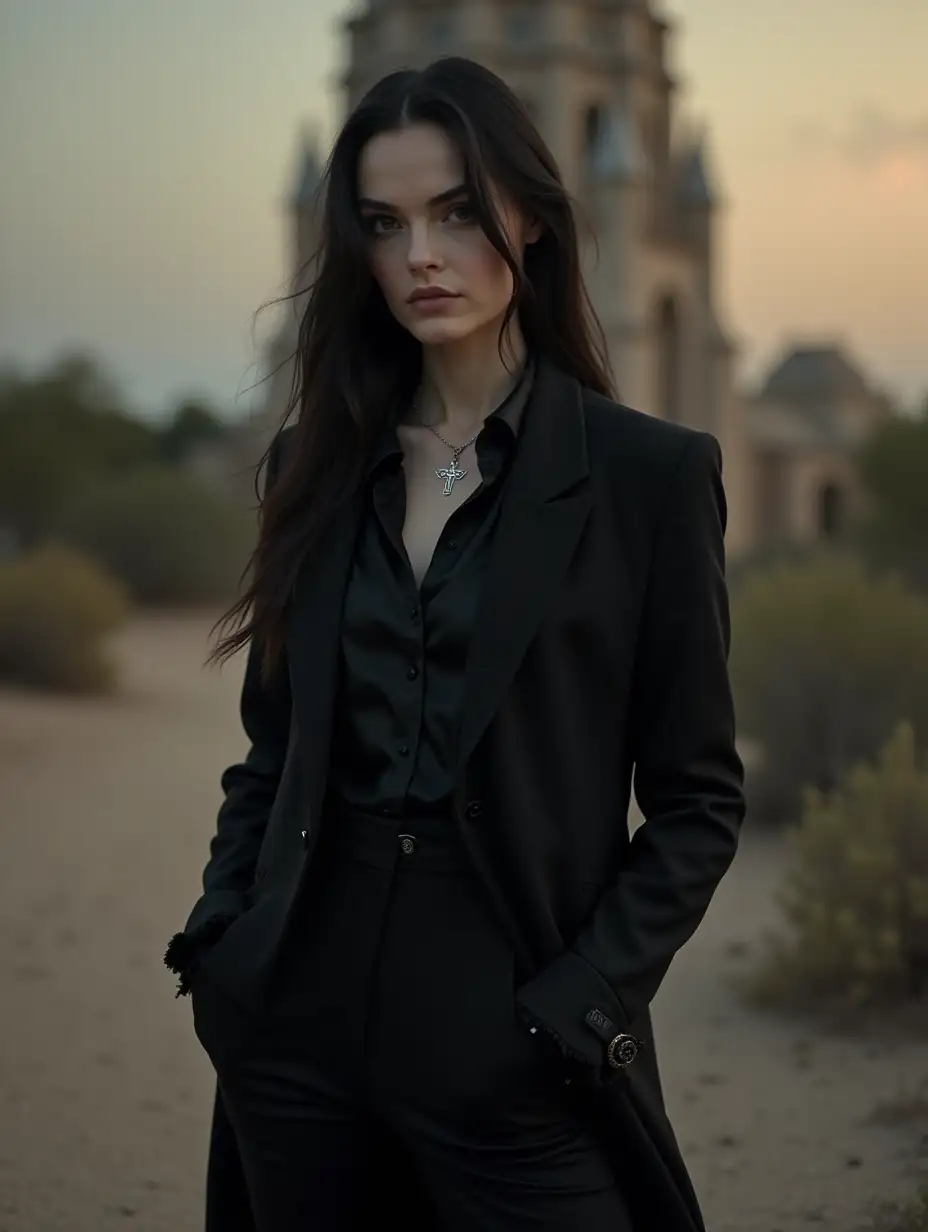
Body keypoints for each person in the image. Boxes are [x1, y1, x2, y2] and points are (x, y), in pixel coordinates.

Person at [165, 55, 746, 1232]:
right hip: (294, 1025)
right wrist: (222, 944)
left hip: (513, 1027)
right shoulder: (309, 469)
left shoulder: (648, 477)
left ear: (529, 218)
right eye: (384, 223)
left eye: (457, 211)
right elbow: (273, 757)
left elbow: (696, 800)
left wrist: (580, 1000)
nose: (420, 254)